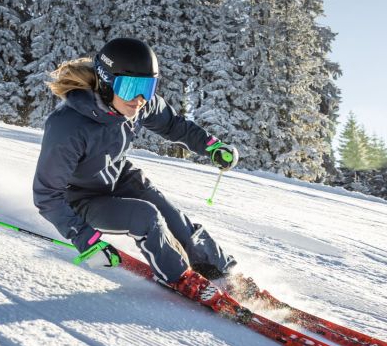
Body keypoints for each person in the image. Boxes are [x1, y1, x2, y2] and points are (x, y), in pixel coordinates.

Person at [32, 37, 240, 292]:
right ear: (106, 83)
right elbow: (47, 195)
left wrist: (212, 146)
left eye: (148, 87)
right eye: (131, 87)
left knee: (172, 216)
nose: (140, 99)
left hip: (119, 176)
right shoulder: (68, 126)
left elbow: (174, 125)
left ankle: (222, 271)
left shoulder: (135, 104)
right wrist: (87, 241)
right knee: (146, 217)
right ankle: (180, 278)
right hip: (82, 198)